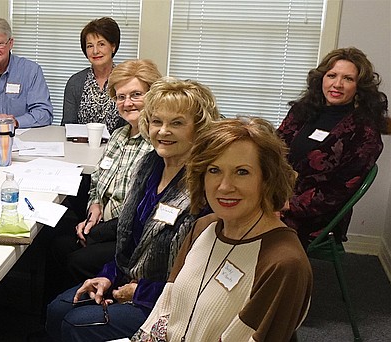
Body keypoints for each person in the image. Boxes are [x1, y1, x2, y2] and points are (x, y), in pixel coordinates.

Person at [46, 77, 221, 341]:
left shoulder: (204, 186)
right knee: (57, 309)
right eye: (157, 121)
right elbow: (131, 245)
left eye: (176, 123)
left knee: (76, 324)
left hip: (166, 301)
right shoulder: (149, 165)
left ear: (198, 129)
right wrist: (107, 276)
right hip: (128, 281)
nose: (163, 131)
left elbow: (197, 281)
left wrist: (137, 293)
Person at [133, 118, 312, 341]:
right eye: (214, 170)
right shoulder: (204, 227)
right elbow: (165, 308)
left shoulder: (283, 263)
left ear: (267, 179)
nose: (225, 186)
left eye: (242, 172)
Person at [52, 59, 160, 285]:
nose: (127, 103)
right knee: (55, 241)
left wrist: (95, 233)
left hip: (130, 235)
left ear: (152, 96)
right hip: (101, 221)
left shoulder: (157, 144)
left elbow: (143, 208)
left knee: (76, 260)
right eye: (121, 97)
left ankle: (78, 310)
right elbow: (97, 181)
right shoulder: (118, 136)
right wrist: (94, 207)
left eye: (136, 95)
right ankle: (50, 314)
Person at [277, 47, 387, 243]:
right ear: (322, 79)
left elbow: (337, 191)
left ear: (359, 86)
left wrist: (285, 205)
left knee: (248, 225)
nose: (337, 84)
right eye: (332, 75)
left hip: (313, 213)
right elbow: (274, 150)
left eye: (348, 79)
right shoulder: (301, 111)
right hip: (277, 193)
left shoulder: (364, 134)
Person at [62, 17, 122, 133]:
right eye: (90, 46)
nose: (95, 51)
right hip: (79, 147)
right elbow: (67, 126)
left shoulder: (125, 81)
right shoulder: (75, 82)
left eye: (101, 44)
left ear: (113, 46)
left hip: (118, 148)